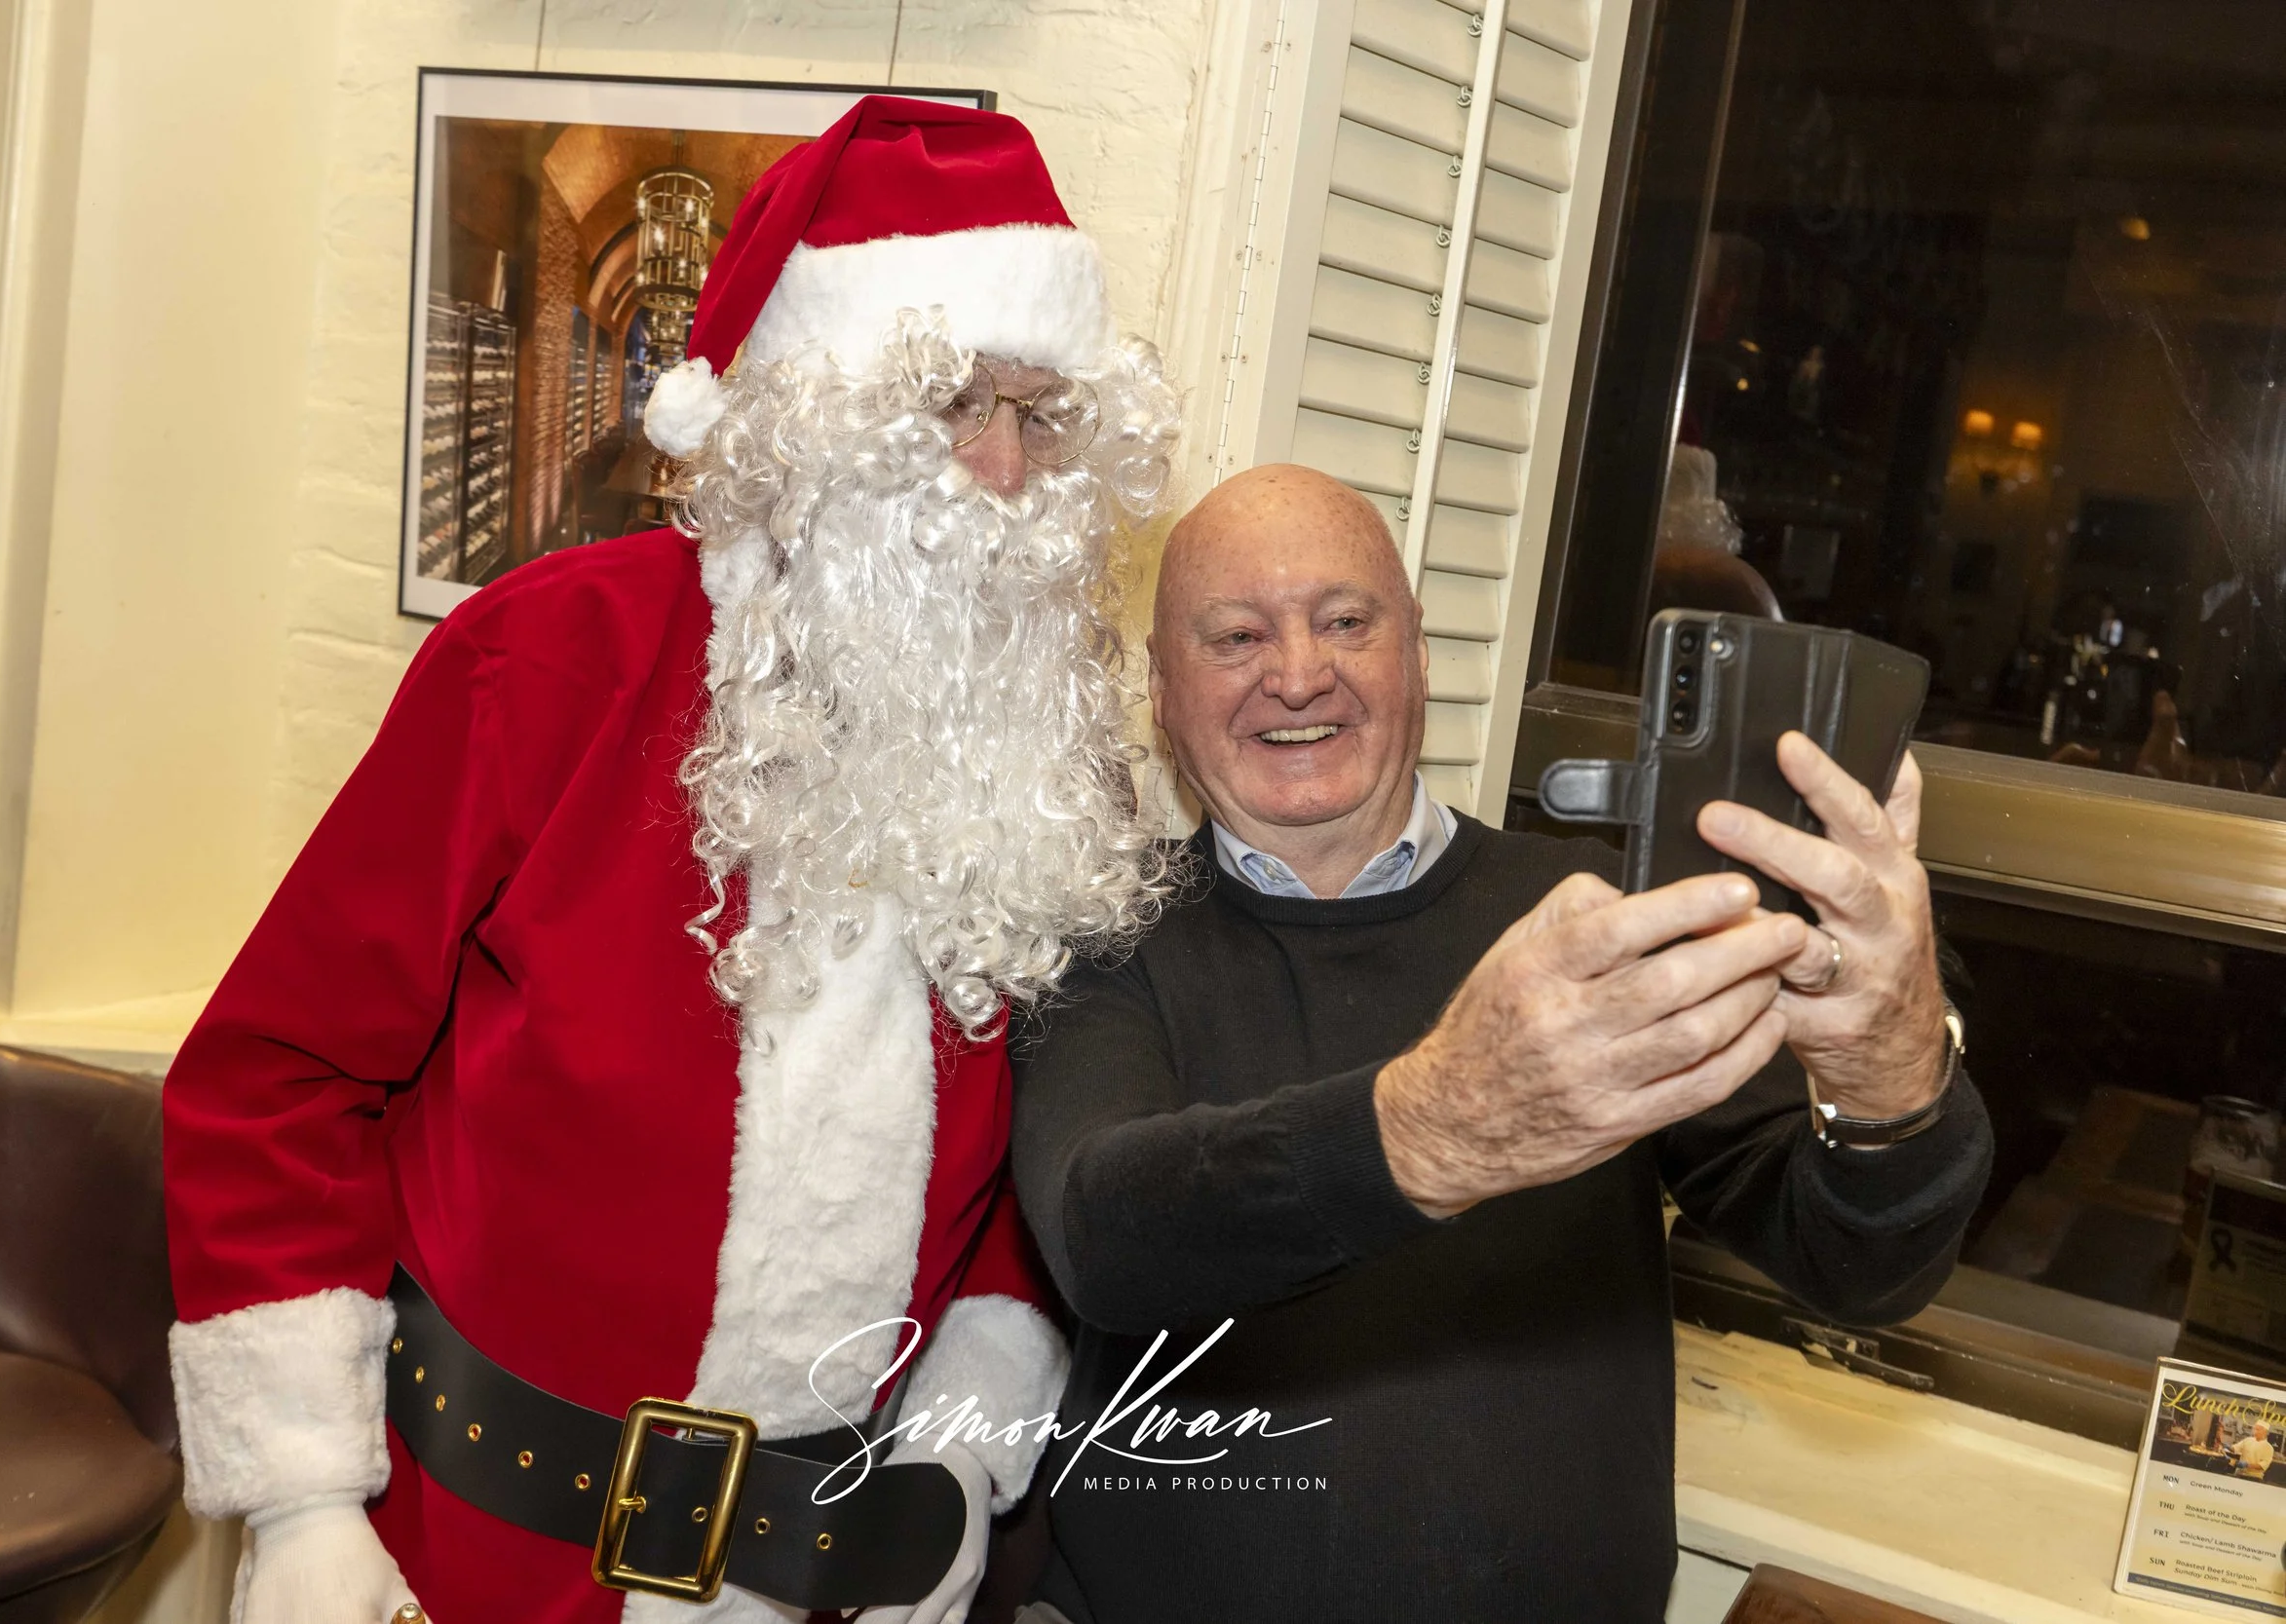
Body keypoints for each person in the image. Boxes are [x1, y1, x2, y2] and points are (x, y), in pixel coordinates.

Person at [161, 98, 1182, 1624]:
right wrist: (303, 1499)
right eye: (949, 405)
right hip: (464, 1555)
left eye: (1041, 418)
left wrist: (964, 1456)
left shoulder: (1054, 754)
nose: (1001, 471)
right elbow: (277, 1074)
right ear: (808, 416)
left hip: (822, 1576)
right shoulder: (547, 661)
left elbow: (1044, 1175)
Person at [1009, 464, 1993, 1622]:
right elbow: (1108, 1235)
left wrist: (1885, 1069)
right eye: (1235, 636)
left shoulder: (1593, 920)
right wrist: (1443, 1121)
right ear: (1160, 689)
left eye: (1346, 621)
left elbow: (1859, 1266)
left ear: (1419, 652)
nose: (1298, 673)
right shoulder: (1098, 932)